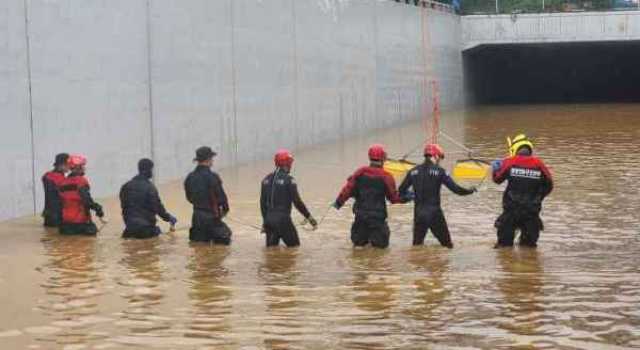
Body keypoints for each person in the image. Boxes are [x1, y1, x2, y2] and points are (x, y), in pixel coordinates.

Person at [398, 144, 476, 248]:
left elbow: (401, 191)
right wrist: (470, 190)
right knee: (448, 246)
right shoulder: (440, 171)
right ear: (436, 156)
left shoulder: (413, 171)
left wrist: (411, 196)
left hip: (418, 214)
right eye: (440, 158)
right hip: (434, 214)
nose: (440, 161)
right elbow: (456, 190)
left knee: (417, 247)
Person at [333, 144, 403, 249]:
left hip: (360, 218)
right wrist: (407, 197)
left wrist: (338, 202)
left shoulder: (360, 172)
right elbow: (394, 198)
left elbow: (347, 189)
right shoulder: (386, 176)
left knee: (358, 249)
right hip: (377, 219)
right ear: (383, 158)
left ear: (369, 157)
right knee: (380, 252)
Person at [492, 134, 553, 248]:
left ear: (515, 149)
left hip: (511, 210)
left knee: (504, 247)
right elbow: (549, 185)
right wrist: (538, 198)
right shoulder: (539, 164)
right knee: (529, 247)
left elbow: (497, 179)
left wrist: (495, 170)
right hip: (531, 212)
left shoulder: (510, 162)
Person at [260, 149, 317, 247]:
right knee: (294, 250)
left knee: (271, 254)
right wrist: (309, 217)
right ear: (286, 163)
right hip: (283, 221)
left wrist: (265, 222)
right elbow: (297, 202)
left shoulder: (265, 180)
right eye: (290, 163)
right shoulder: (289, 180)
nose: (291, 165)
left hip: (269, 221)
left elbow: (262, 204)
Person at [184, 146, 232, 244]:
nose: (213, 161)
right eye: (212, 159)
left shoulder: (190, 177)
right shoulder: (213, 177)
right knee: (224, 242)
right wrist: (225, 210)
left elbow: (189, 198)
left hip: (196, 217)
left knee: (199, 250)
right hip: (211, 217)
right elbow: (222, 199)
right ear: (208, 159)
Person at [120, 158, 177, 239]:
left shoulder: (125, 186)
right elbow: (158, 207)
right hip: (146, 230)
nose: (152, 173)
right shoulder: (150, 187)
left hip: (129, 230)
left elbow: (124, 208)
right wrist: (169, 218)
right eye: (151, 170)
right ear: (148, 170)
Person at [58, 155, 105, 235]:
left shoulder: (62, 182)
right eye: (83, 166)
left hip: (65, 224)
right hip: (81, 222)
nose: (84, 168)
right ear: (78, 167)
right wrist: (98, 208)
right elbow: (87, 200)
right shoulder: (81, 181)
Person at [42, 153, 69, 227]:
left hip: (48, 214)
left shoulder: (47, 176)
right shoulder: (59, 179)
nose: (69, 167)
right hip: (57, 216)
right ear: (62, 165)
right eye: (68, 164)